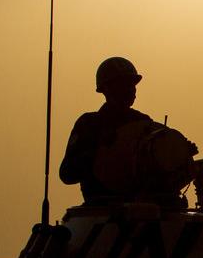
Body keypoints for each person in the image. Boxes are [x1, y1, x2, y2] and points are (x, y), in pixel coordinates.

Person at [60, 57, 195, 204]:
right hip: (101, 208)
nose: (132, 90)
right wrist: (99, 150)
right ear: (106, 88)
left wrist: (180, 155)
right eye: (124, 85)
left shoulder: (143, 123)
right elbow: (67, 174)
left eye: (132, 85)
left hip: (143, 209)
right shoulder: (89, 124)